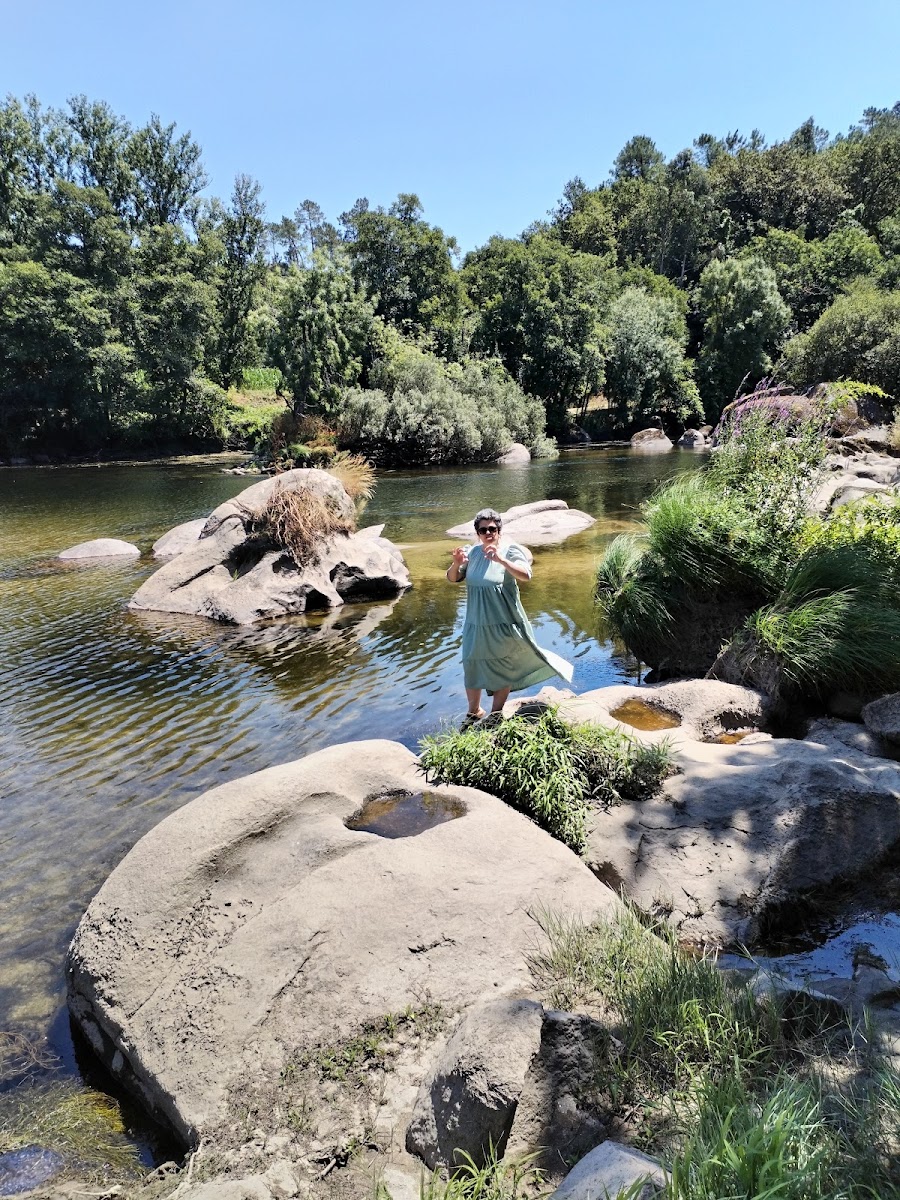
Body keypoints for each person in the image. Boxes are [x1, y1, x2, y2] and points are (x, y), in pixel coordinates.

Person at [446, 507, 573, 727]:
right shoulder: (473, 553)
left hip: (503, 622)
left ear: (499, 530)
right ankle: (474, 711)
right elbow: (453, 578)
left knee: (502, 666)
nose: (488, 533)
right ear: (477, 533)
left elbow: (526, 575)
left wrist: (502, 560)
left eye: (492, 529)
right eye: (483, 530)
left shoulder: (510, 550)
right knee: (472, 663)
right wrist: (456, 563)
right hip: (475, 623)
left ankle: (495, 716)